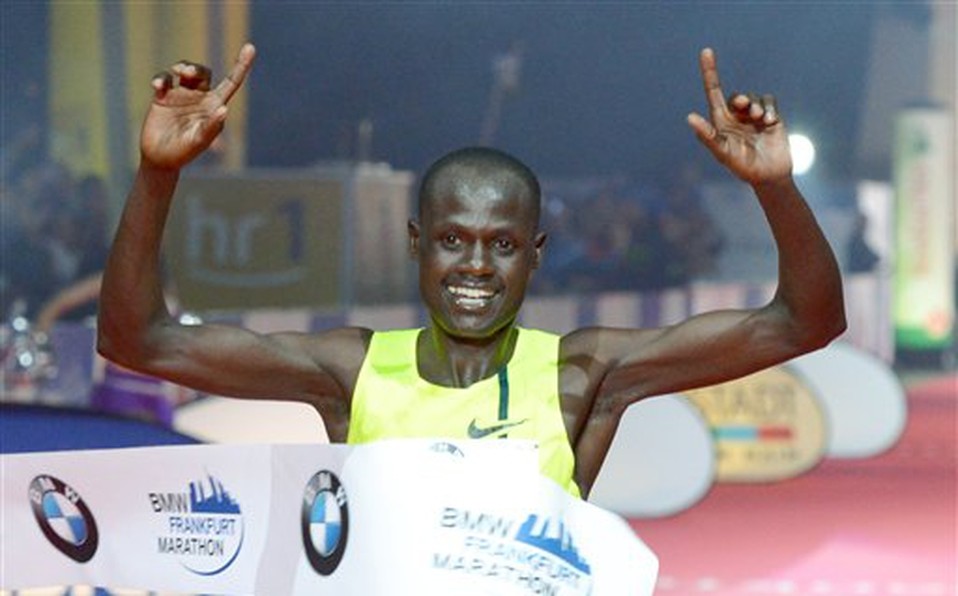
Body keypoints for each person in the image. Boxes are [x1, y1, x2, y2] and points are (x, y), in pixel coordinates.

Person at [97, 43, 846, 499]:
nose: (477, 266)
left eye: (503, 245)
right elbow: (138, 341)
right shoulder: (352, 371)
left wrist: (775, 188)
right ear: (417, 244)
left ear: (536, 253)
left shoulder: (584, 373)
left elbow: (804, 323)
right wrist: (158, 175)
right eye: (453, 240)